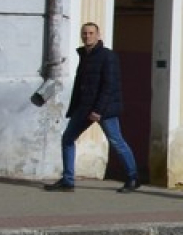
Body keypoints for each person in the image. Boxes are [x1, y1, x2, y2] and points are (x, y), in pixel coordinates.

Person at [46, 23, 142, 193]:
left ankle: (133, 177)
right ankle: (68, 181)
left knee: (116, 141)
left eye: (91, 33)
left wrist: (98, 110)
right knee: (67, 139)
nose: (87, 36)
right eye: (85, 33)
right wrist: (75, 107)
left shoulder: (108, 56)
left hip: (104, 110)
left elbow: (109, 85)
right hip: (83, 108)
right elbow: (80, 85)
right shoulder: (84, 56)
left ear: (98, 35)